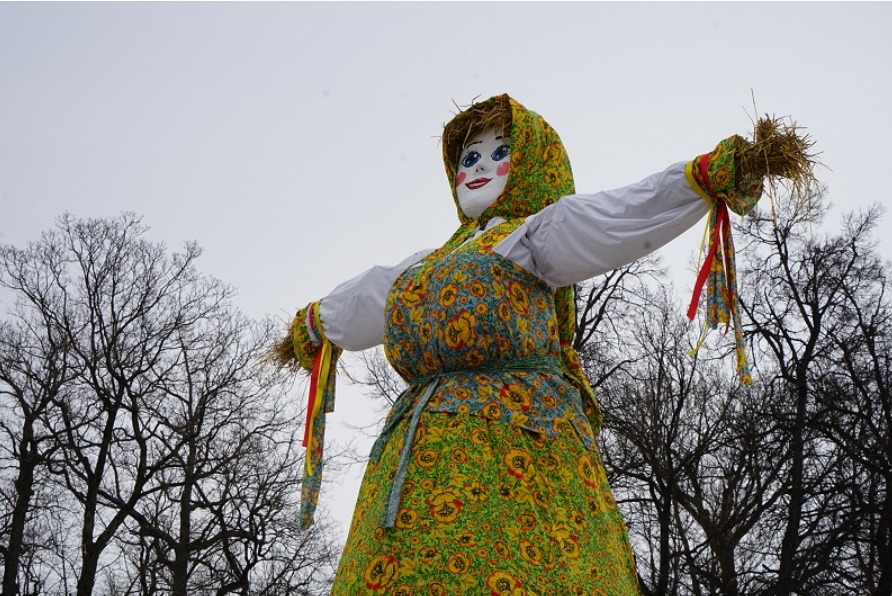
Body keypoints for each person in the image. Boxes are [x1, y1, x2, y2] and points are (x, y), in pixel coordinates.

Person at [279, 94, 790, 594]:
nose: (479, 166)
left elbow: (620, 213)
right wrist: (315, 324)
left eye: (500, 153)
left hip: (516, 449)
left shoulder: (533, 235)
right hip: (413, 469)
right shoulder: (428, 263)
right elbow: (371, 292)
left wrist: (700, 178)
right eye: (469, 157)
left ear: (530, 165)